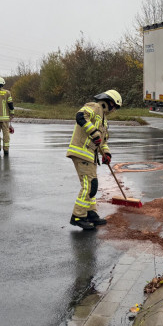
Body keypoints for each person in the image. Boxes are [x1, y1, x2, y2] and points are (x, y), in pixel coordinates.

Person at [66, 90, 122, 230]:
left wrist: (107, 154)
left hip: (90, 155)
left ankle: (91, 213)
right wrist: (93, 132)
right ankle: (78, 216)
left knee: (93, 185)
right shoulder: (95, 107)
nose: (114, 110)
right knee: (89, 186)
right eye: (114, 106)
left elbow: (102, 142)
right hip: (81, 152)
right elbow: (80, 116)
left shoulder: (104, 120)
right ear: (108, 102)